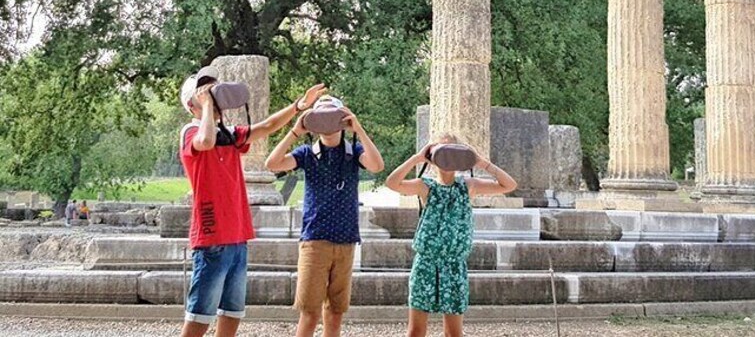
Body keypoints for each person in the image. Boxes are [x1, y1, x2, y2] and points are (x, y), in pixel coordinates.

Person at [178, 65, 326, 337]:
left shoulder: (230, 135)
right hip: (211, 237)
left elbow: (267, 126)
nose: (213, 94)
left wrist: (299, 106)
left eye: (214, 88)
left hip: (237, 235)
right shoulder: (191, 132)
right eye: (205, 90)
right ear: (192, 104)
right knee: (200, 315)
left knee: (233, 312)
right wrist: (207, 105)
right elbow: (206, 140)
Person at [265, 95, 385, 337]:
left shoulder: (354, 152)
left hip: (345, 240)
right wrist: (295, 131)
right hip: (315, 241)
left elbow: (377, 166)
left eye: (333, 117)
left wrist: (358, 128)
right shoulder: (307, 153)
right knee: (309, 312)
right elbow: (272, 163)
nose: (328, 124)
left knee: (336, 312)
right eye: (321, 118)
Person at [385, 133, 518, 337]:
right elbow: (392, 183)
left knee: (454, 333)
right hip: (426, 262)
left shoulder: (468, 186)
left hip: (454, 264)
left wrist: (480, 162)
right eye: (441, 151)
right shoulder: (425, 186)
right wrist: (418, 158)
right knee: (415, 331)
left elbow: (509, 185)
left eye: (452, 151)